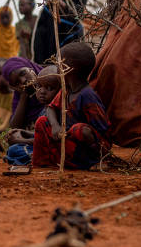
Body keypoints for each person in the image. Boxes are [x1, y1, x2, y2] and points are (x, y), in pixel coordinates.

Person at [32, 42, 110, 170]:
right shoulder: (66, 90)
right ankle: (43, 162)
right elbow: (51, 108)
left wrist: (102, 154)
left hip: (87, 151)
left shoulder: (87, 96)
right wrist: (55, 126)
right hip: (67, 144)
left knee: (79, 129)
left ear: (68, 69)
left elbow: (102, 130)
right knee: (42, 121)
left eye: (58, 65)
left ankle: (97, 162)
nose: (56, 68)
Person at [4, 65, 60, 166]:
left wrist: (20, 140)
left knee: (14, 150)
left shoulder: (59, 111)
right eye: (38, 86)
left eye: (49, 88)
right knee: (14, 149)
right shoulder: (45, 109)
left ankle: (37, 159)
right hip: (44, 146)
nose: (42, 92)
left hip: (55, 148)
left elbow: (49, 139)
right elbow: (42, 133)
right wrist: (24, 132)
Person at [32, 0, 88, 64]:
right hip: (51, 31)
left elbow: (78, 14)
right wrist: (53, 3)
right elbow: (47, 13)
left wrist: (65, 6)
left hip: (70, 32)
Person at [2, 57, 46, 132]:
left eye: (23, 73)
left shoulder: (51, 79)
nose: (23, 80)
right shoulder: (18, 97)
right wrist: (24, 95)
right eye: (17, 83)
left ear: (31, 68)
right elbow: (14, 128)